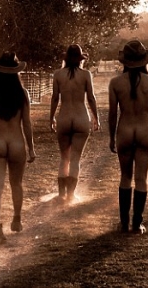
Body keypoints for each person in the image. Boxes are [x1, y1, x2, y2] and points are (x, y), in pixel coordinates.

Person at [0, 51, 37, 244]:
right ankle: (17, 220)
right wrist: (31, 148)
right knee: (16, 184)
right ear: (16, 72)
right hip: (16, 142)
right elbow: (27, 124)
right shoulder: (22, 93)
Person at [108, 40, 148, 234]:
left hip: (125, 129)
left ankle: (123, 223)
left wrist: (111, 138)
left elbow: (113, 114)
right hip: (146, 129)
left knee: (125, 176)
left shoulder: (116, 83)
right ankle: (137, 223)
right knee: (141, 178)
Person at [50, 44, 100, 202]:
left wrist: (51, 117)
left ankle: (60, 194)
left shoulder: (58, 74)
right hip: (81, 117)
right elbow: (91, 97)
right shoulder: (85, 75)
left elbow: (55, 98)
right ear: (80, 59)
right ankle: (71, 195)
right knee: (76, 159)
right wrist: (96, 117)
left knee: (64, 158)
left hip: (64, 117)